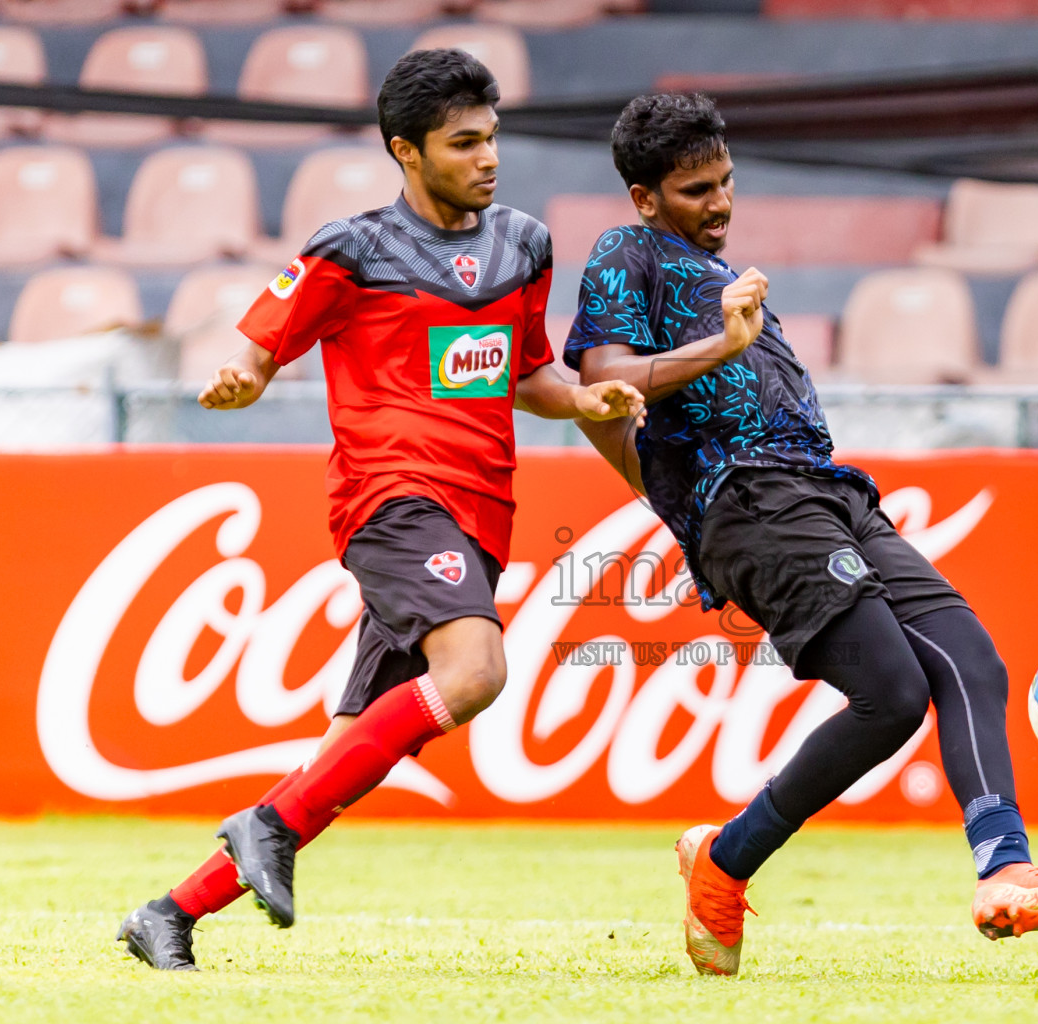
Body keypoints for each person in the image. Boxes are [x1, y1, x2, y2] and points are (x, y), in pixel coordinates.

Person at [565, 93, 1038, 977]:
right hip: (748, 502)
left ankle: (1002, 869)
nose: (717, 204)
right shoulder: (625, 254)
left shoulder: (727, 276)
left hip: (828, 492)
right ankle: (726, 863)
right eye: (692, 191)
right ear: (644, 198)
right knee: (893, 694)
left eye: (724, 183)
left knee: (970, 661)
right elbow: (604, 386)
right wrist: (712, 380)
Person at [116, 48, 644, 972]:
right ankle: (264, 828)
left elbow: (527, 371)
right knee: (475, 672)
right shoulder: (348, 251)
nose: (488, 158)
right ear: (406, 150)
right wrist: (241, 381)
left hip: (481, 514)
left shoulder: (522, 244)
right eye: (464, 142)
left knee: (337, 766)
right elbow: (256, 348)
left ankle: (170, 913)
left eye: (492, 138)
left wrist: (585, 400)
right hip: (392, 498)